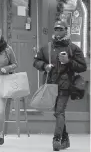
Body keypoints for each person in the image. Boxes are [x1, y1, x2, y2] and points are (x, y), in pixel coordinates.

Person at [33, 20, 87, 151]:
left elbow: (82, 66)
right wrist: (45, 66)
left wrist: (68, 61)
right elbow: (36, 61)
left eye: (61, 29)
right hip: (51, 84)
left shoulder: (73, 48)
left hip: (66, 84)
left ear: (66, 31)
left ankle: (57, 139)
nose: (58, 31)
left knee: (59, 112)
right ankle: (65, 139)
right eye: (56, 29)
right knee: (57, 113)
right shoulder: (47, 47)